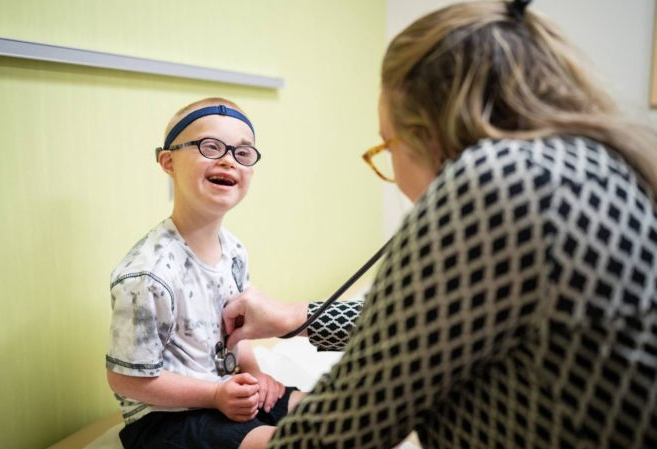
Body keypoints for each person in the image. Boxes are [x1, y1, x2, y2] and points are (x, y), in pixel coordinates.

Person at [222, 1, 657, 448]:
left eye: (385, 145)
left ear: (427, 134)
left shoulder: (493, 185)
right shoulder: (588, 165)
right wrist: (299, 318)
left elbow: (340, 430)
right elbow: (435, 320)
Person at [105, 97, 305, 449]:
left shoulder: (234, 251)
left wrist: (257, 377)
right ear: (168, 162)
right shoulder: (147, 274)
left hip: (227, 393)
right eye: (210, 147)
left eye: (242, 153)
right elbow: (125, 381)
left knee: (339, 418)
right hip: (167, 419)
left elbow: (235, 336)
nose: (228, 159)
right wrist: (215, 394)